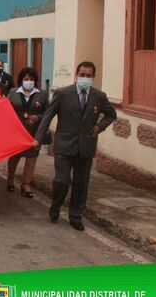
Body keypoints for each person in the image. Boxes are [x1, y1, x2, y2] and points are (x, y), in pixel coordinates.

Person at [34, 61, 116, 231]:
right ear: (76, 75)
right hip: (64, 145)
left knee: (81, 183)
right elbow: (48, 117)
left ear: (93, 77)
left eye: (88, 75)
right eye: (82, 75)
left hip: (85, 146)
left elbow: (111, 114)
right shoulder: (63, 93)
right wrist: (38, 139)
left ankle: (75, 216)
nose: (85, 78)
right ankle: (55, 206)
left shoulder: (99, 96)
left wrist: (99, 127)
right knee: (62, 181)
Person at [6, 67, 49, 197]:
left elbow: (47, 113)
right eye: (26, 79)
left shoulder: (42, 94)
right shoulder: (13, 92)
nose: (29, 81)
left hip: (34, 132)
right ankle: (10, 179)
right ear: (21, 80)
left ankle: (26, 184)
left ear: (35, 80)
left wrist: (37, 118)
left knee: (31, 159)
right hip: (17, 131)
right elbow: (6, 109)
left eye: (31, 79)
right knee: (14, 157)